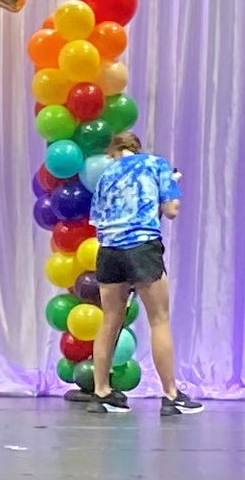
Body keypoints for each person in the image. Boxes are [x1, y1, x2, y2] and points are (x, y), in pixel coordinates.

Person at [79, 131, 198, 415]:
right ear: (137, 148)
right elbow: (171, 210)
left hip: (108, 251)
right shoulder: (156, 165)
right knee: (159, 320)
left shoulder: (105, 178)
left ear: (113, 152)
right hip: (142, 247)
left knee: (109, 321)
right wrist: (169, 186)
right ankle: (171, 395)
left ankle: (102, 392)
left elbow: (99, 220)